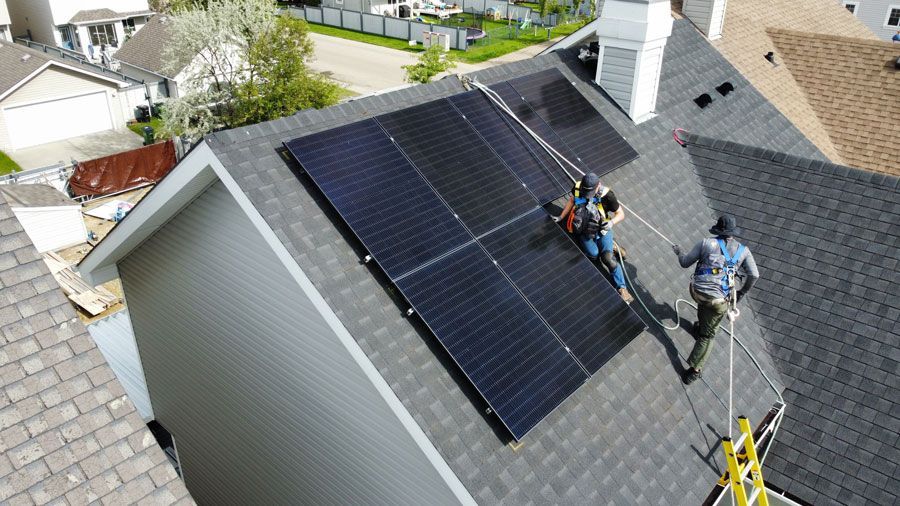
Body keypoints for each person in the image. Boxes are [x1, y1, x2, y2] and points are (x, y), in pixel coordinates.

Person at [673, 215, 759, 385]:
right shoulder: (744, 251)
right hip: (718, 302)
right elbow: (754, 275)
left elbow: (684, 262)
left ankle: (700, 326)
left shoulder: (706, 243)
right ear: (733, 233)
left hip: (697, 292)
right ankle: (694, 371)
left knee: (706, 304)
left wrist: (678, 251)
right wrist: (740, 294)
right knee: (708, 336)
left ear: (718, 230)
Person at [555, 172, 633, 303]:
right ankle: (608, 246)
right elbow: (572, 200)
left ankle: (622, 288)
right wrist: (561, 217)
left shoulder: (607, 195)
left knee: (608, 259)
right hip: (584, 230)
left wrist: (612, 222)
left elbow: (621, 213)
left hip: (602, 229)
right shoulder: (578, 187)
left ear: (598, 186)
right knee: (593, 255)